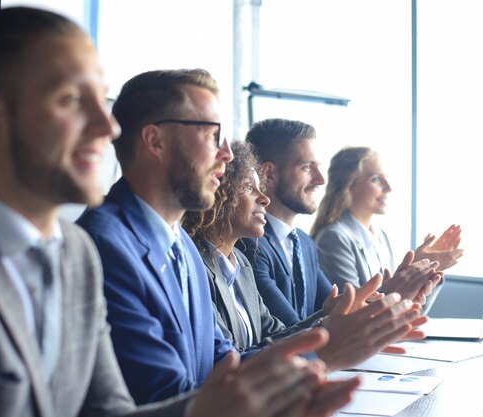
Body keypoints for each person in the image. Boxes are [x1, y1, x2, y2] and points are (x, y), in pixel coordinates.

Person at [0, 8, 360, 417]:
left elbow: (112, 410)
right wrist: (320, 352)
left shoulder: (74, 251)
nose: (109, 126)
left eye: (102, 99)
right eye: (72, 100)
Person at [76, 68, 376, 408]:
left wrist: (327, 335)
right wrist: (323, 349)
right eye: (211, 135)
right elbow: (170, 395)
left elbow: (224, 362)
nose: (227, 154)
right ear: (155, 140)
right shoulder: (102, 246)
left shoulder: (185, 247)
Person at [181, 141, 427, 363]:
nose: (264, 199)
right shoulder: (196, 266)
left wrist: (325, 317)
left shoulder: (241, 264)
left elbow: (276, 335)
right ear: (218, 195)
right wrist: (327, 340)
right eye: (248, 187)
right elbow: (228, 362)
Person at [241, 118, 442, 326]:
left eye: (318, 167)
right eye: (307, 167)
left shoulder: (304, 243)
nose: (320, 179)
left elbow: (342, 311)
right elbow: (290, 330)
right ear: (269, 174)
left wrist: (401, 292)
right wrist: (392, 293)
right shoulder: (250, 245)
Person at [310, 146, 463, 312]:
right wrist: (409, 276)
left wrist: (426, 272)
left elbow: (409, 311)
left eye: (387, 178)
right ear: (350, 185)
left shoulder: (382, 237)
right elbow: (351, 313)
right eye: (376, 179)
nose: (388, 187)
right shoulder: (334, 238)